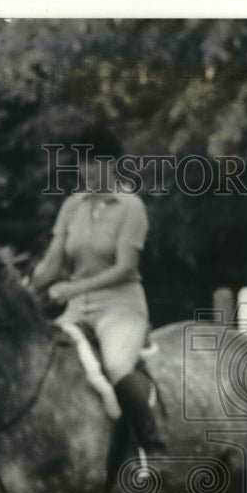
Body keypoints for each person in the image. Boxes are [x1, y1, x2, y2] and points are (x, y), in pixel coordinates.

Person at [29, 128, 166, 463]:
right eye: (80, 163)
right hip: (76, 312)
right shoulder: (71, 206)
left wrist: (73, 288)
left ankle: (154, 446)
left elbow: (124, 267)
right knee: (47, 366)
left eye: (91, 163)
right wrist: (27, 290)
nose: (84, 170)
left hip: (120, 308)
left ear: (110, 165)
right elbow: (53, 261)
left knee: (118, 366)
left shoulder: (131, 207)